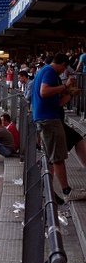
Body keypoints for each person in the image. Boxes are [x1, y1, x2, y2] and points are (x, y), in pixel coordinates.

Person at [31, 53, 80, 198]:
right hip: (49, 120)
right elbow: (44, 91)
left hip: (46, 117)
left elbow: (57, 102)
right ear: (63, 64)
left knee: (53, 157)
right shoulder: (49, 71)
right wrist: (64, 86)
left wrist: (70, 94)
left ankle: (49, 190)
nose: (63, 72)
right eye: (64, 69)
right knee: (57, 157)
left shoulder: (44, 71)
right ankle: (67, 191)